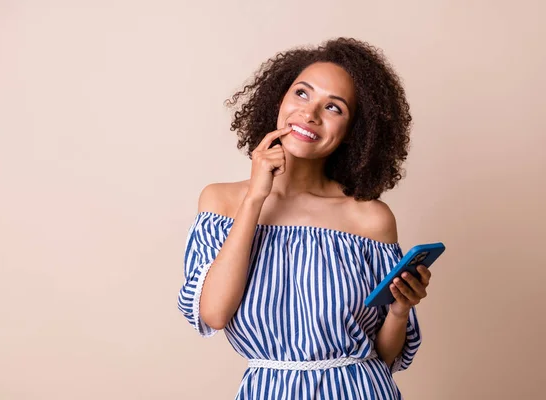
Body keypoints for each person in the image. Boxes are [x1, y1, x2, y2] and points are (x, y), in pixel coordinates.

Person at [177, 37, 432, 399]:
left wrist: (399, 310)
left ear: (352, 133)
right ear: (279, 98)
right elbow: (214, 314)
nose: (310, 114)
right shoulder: (222, 201)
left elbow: (383, 357)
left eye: (334, 108)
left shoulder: (370, 219)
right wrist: (255, 199)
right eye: (301, 94)